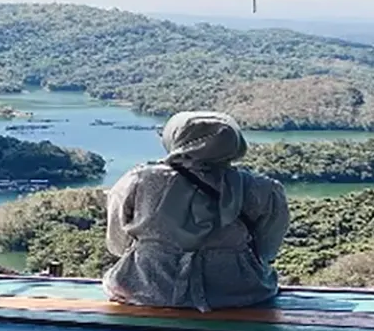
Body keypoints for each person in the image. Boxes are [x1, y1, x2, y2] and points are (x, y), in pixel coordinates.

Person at [102, 111, 290, 312]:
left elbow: (117, 243)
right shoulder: (262, 188)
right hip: (239, 292)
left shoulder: (139, 181)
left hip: (143, 287)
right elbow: (267, 249)